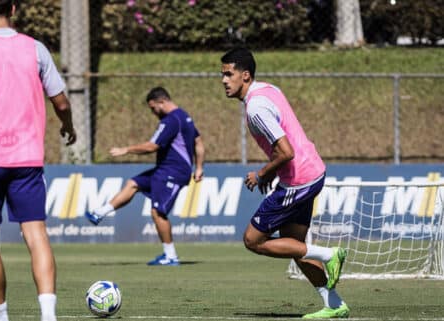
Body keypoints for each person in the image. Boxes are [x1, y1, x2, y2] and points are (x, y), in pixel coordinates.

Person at [0, 1, 76, 321]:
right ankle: (48, 316)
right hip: (27, 159)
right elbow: (61, 102)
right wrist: (69, 125)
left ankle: (0, 318)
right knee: (36, 235)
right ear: (13, 7)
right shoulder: (36, 49)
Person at [220, 47, 349, 319]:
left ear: (245, 75)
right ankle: (335, 305)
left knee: (253, 240)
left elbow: (286, 151)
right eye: (222, 75)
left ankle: (330, 254)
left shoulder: (255, 107)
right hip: (310, 172)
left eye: (228, 74)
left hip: (298, 180)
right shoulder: (268, 89)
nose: (223, 80)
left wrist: (262, 174)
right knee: (295, 245)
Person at [85, 87, 205, 266]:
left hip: (172, 172)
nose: (153, 112)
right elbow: (198, 143)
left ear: (161, 102)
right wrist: (199, 167)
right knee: (133, 184)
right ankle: (99, 213)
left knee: (158, 212)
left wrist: (125, 150)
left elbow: (151, 147)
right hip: (164, 169)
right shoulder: (185, 116)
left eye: (153, 108)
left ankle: (170, 256)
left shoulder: (170, 120)